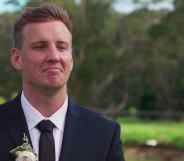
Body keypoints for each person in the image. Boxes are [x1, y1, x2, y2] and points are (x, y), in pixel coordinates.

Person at [0, 3, 125, 161]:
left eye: (62, 47)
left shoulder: (105, 134)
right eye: (40, 47)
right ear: (17, 59)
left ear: (71, 60)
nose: (54, 56)